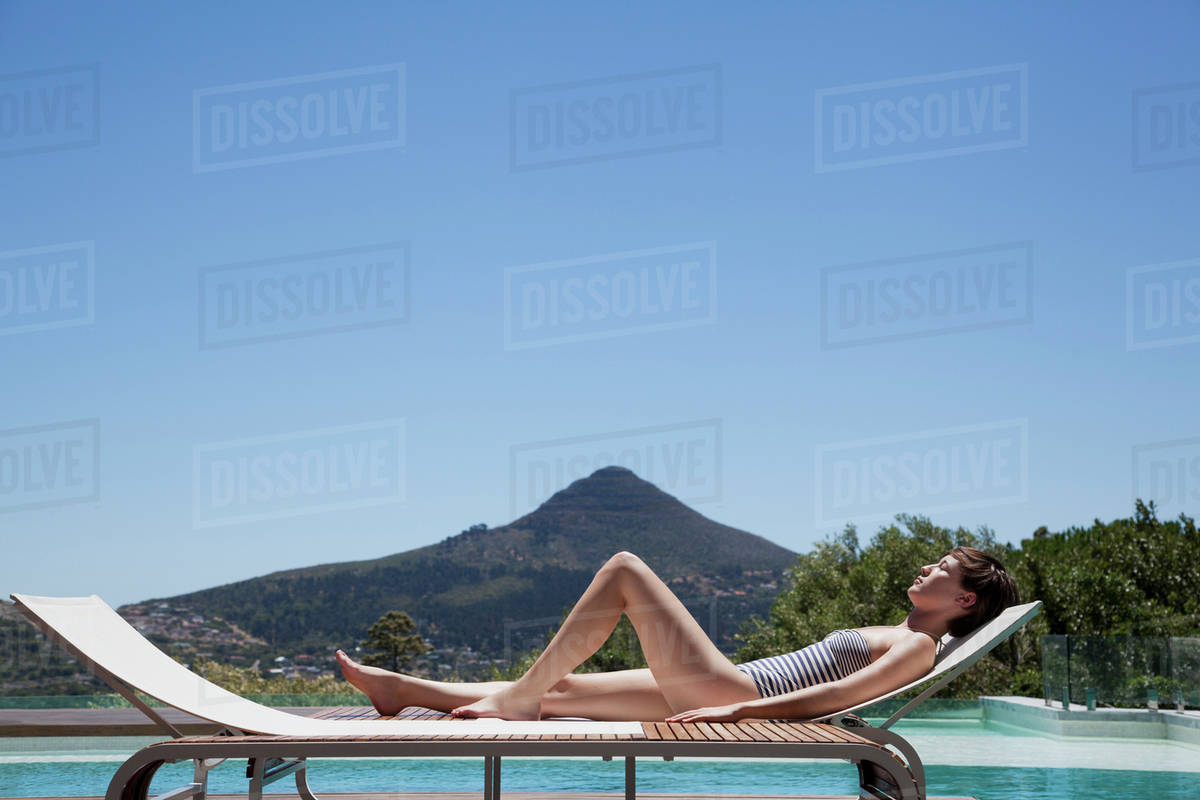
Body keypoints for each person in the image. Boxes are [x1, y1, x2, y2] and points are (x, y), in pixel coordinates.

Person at [336, 547, 1018, 722]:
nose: (926, 568)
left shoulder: (919, 645)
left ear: (962, 598)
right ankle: (401, 690)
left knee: (626, 570)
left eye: (943, 570)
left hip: (734, 688)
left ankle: (509, 700)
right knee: (562, 687)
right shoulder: (901, 629)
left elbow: (828, 699)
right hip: (729, 685)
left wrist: (737, 709)